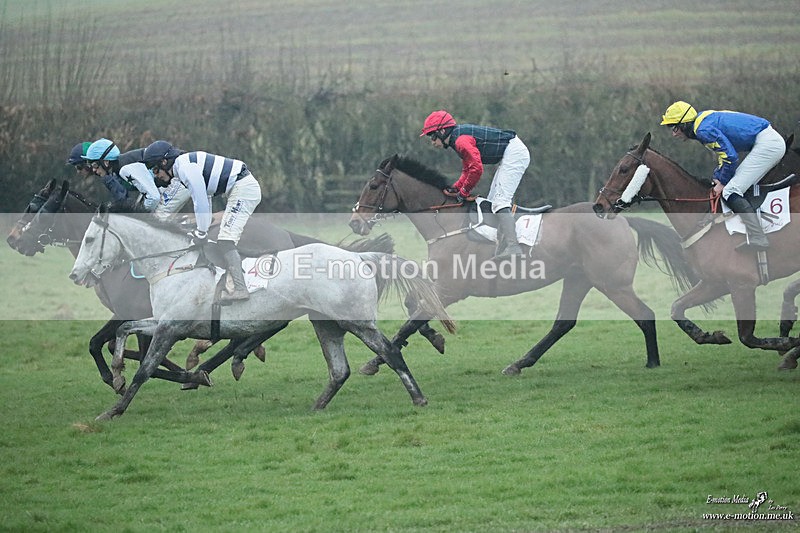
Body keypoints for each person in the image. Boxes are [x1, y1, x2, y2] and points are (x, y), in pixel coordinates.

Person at [143, 140, 262, 302]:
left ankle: (241, 289)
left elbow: (200, 200)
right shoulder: (183, 166)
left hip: (243, 189)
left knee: (226, 240)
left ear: (164, 162)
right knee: (218, 238)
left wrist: (202, 231)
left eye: (155, 170)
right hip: (240, 187)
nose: (157, 175)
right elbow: (206, 196)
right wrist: (203, 228)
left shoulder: (184, 168)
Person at [660, 101, 786, 250]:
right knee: (731, 186)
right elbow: (724, 155)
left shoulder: (703, 130)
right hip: (766, 141)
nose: (674, 134)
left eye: (674, 127)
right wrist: (719, 176)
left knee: (730, 190)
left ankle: (758, 237)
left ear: (684, 124)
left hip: (767, 144)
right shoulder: (701, 122)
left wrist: (723, 182)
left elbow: (730, 157)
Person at [420, 110, 530, 259]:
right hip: (509, 153)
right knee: (492, 203)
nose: (432, 142)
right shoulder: (456, 139)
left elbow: (477, 169)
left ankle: (514, 248)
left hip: (515, 153)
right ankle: (502, 245)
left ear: (442, 131)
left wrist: (464, 192)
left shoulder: (461, 141)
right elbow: (467, 169)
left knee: (500, 202)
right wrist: (456, 188)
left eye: (432, 136)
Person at [83, 138, 162, 211]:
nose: (93, 170)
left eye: (95, 165)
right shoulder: (118, 170)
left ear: (106, 162)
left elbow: (153, 198)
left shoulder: (124, 169)